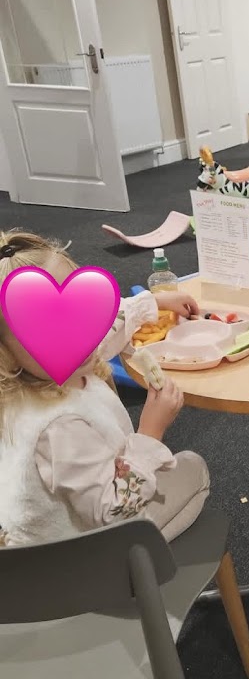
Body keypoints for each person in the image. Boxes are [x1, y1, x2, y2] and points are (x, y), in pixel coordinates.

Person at [0, 229, 210, 548]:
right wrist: (150, 432)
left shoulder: (37, 373)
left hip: (51, 527)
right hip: (83, 553)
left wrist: (152, 302)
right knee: (194, 467)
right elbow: (112, 512)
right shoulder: (60, 426)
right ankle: (142, 568)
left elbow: (106, 327)